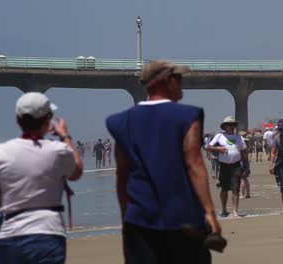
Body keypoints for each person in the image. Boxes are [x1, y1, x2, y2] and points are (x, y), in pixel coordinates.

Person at [106, 60, 221, 264]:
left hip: (139, 219)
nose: (182, 83)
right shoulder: (187, 116)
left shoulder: (122, 121)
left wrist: (126, 216)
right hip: (184, 218)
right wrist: (209, 212)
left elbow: (121, 175)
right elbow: (194, 165)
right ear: (165, 81)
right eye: (178, 78)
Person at [0, 92, 83, 263]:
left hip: (9, 235)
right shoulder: (57, 151)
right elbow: (77, 171)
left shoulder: (1, 152)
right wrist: (64, 136)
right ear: (47, 120)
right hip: (48, 234)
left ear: (18, 120)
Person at [208, 116, 248, 218]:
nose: (232, 126)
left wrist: (246, 167)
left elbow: (244, 152)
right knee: (224, 189)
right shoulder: (219, 136)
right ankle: (224, 210)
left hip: (236, 166)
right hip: (224, 166)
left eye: (233, 124)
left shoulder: (239, 137)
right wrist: (218, 148)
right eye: (229, 125)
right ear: (225, 126)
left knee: (235, 189)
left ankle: (235, 211)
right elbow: (209, 147)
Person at [239, 131, 251, 199]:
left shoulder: (241, 143)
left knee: (243, 179)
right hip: (245, 162)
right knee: (245, 179)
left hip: (242, 162)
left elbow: (244, 156)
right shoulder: (246, 142)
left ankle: (242, 194)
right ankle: (248, 194)